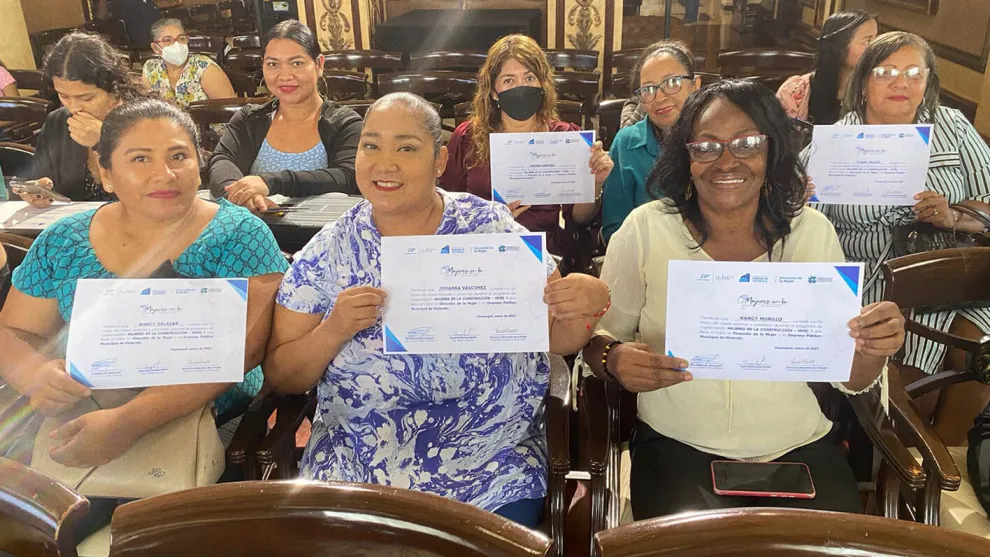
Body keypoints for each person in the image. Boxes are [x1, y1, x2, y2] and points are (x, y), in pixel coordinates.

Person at [264, 92, 611, 528]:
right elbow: (281, 374)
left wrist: (589, 304)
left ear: (440, 159)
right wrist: (332, 330)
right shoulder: (332, 248)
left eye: (406, 147)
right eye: (371, 145)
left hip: (490, 454)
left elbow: (557, 337)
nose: (384, 163)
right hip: (359, 455)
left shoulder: (488, 226)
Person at [583, 80, 906, 519]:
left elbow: (848, 376)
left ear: (772, 150)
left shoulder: (810, 232)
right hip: (678, 440)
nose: (726, 161)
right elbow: (598, 337)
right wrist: (616, 358)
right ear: (687, 156)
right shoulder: (647, 230)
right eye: (706, 146)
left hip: (797, 441)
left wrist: (874, 345)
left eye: (747, 143)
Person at [0, 97, 287, 468]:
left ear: (199, 165)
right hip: (83, 409)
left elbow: (243, 352)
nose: (164, 174)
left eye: (178, 156)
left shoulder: (240, 235)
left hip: (209, 421)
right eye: (139, 158)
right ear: (106, 174)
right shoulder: (63, 240)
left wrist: (127, 422)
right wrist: (34, 373)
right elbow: (14, 330)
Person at [811, 31, 990, 380]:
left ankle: (950, 437)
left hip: (951, 274)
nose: (901, 83)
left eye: (914, 73)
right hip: (873, 282)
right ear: (862, 83)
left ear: (928, 82)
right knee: (909, 375)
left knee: (980, 352)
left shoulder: (952, 126)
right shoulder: (834, 143)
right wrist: (798, 199)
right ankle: (905, 431)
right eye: (885, 72)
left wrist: (954, 216)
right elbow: (805, 230)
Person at [439, 34, 613, 256]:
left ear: (542, 84)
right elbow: (448, 211)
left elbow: (580, 219)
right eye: (509, 80)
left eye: (529, 78)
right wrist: (493, 218)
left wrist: (594, 184)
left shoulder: (565, 137)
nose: (520, 88)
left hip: (546, 253)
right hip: (482, 252)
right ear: (493, 91)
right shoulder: (467, 138)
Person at [208, 20, 362, 211]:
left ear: (319, 65)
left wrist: (271, 182)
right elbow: (222, 159)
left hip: (323, 233)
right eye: (273, 64)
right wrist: (243, 194)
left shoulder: (345, 123)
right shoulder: (249, 119)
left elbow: (347, 176)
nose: (284, 75)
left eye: (296, 63)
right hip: (260, 230)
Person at [17, 32, 141, 208]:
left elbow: (152, 189)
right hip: (75, 225)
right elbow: (40, 177)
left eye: (87, 98)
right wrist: (39, 190)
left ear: (114, 89)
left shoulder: (148, 120)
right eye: (64, 96)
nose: (74, 108)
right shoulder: (58, 122)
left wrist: (104, 142)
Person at [601, 41, 699, 244]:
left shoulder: (718, 138)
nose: (659, 97)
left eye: (672, 82)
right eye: (648, 89)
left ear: (695, 84)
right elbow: (615, 228)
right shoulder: (626, 143)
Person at [777, 10, 877, 124]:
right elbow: (780, 136)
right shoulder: (796, 91)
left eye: (876, 40)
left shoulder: (876, 90)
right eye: (867, 41)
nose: (874, 48)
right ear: (839, 46)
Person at [142, 18, 235, 109]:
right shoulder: (151, 68)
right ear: (155, 48)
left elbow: (230, 111)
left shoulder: (203, 67)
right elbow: (148, 109)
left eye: (181, 38)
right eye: (167, 40)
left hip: (206, 124)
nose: (177, 44)